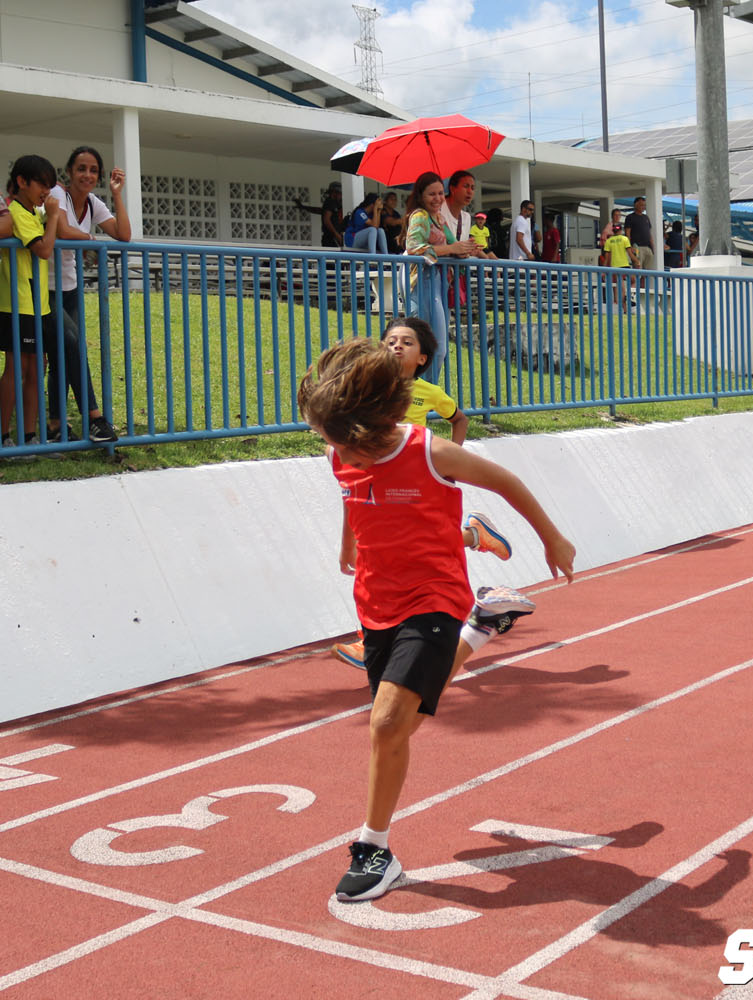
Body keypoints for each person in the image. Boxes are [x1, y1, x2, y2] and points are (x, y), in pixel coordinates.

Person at [298, 337, 575, 903]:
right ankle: (483, 625)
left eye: (335, 439)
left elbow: (507, 482)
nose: (331, 449)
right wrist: (348, 542)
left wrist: (553, 538)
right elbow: (352, 497)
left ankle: (374, 850)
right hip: (375, 601)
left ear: (367, 429)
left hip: (434, 597)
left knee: (385, 725)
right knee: (404, 725)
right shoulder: (339, 455)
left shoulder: (431, 452)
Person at [329, 316, 535, 671]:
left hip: (415, 474)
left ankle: (371, 640)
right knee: (390, 551)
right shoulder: (370, 390)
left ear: (423, 358)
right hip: (377, 467)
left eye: (407, 342)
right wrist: (346, 541)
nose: (397, 346)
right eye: (390, 341)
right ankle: (473, 536)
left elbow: (460, 419)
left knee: (403, 550)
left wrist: (450, 462)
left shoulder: (429, 393)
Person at [48, 145, 128, 444]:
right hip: (44, 287)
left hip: (70, 286)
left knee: (62, 353)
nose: (87, 175)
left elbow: (123, 234)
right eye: (81, 168)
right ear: (69, 171)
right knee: (72, 344)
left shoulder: (93, 203)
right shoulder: (57, 193)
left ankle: (56, 425)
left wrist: (117, 194)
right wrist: (91, 239)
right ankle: (95, 418)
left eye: (93, 170)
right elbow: (63, 231)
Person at [1, 155, 60, 452]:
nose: (46, 192)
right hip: (18, 303)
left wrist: (50, 216)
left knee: (37, 367)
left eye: (49, 186)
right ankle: (4, 435)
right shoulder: (17, 213)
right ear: (22, 182)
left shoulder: (34, 212)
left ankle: (30, 436)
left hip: (37, 305)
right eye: (41, 185)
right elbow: (44, 249)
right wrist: (55, 216)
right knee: (17, 368)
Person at [403, 172, 476, 384]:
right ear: (421, 196)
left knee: (435, 348)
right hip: (423, 281)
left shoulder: (439, 218)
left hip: (438, 282)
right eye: (431, 194)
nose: (437, 199)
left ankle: (424, 394)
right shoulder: (420, 216)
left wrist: (465, 249)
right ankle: (420, 395)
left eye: (440, 193)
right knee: (432, 347)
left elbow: (453, 245)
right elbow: (413, 248)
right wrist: (452, 249)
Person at [295, 181, 345, 247]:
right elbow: (326, 220)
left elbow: (320, 211)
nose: (341, 196)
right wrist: (337, 235)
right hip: (331, 238)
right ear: (334, 192)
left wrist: (303, 207)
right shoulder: (330, 202)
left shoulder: (335, 204)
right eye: (340, 193)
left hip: (333, 237)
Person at [623, 196, 654, 270]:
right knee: (638, 269)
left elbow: (649, 233)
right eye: (641, 205)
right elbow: (627, 233)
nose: (643, 207)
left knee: (648, 271)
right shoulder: (630, 217)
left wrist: (652, 247)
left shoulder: (646, 217)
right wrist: (629, 247)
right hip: (637, 247)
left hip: (648, 247)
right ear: (635, 205)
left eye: (644, 205)